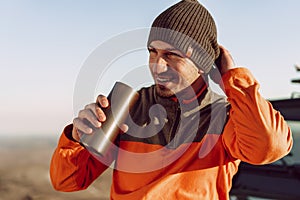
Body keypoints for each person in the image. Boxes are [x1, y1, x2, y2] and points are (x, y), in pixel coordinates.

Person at [50, 0, 293, 199]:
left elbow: (269, 148)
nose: (157, 65)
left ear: (200, 64)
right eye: (152, 52)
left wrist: (231, 78)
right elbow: (67, 182)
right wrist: (75, 139)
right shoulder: (130, 107)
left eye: (171, 55)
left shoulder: (226, 115)